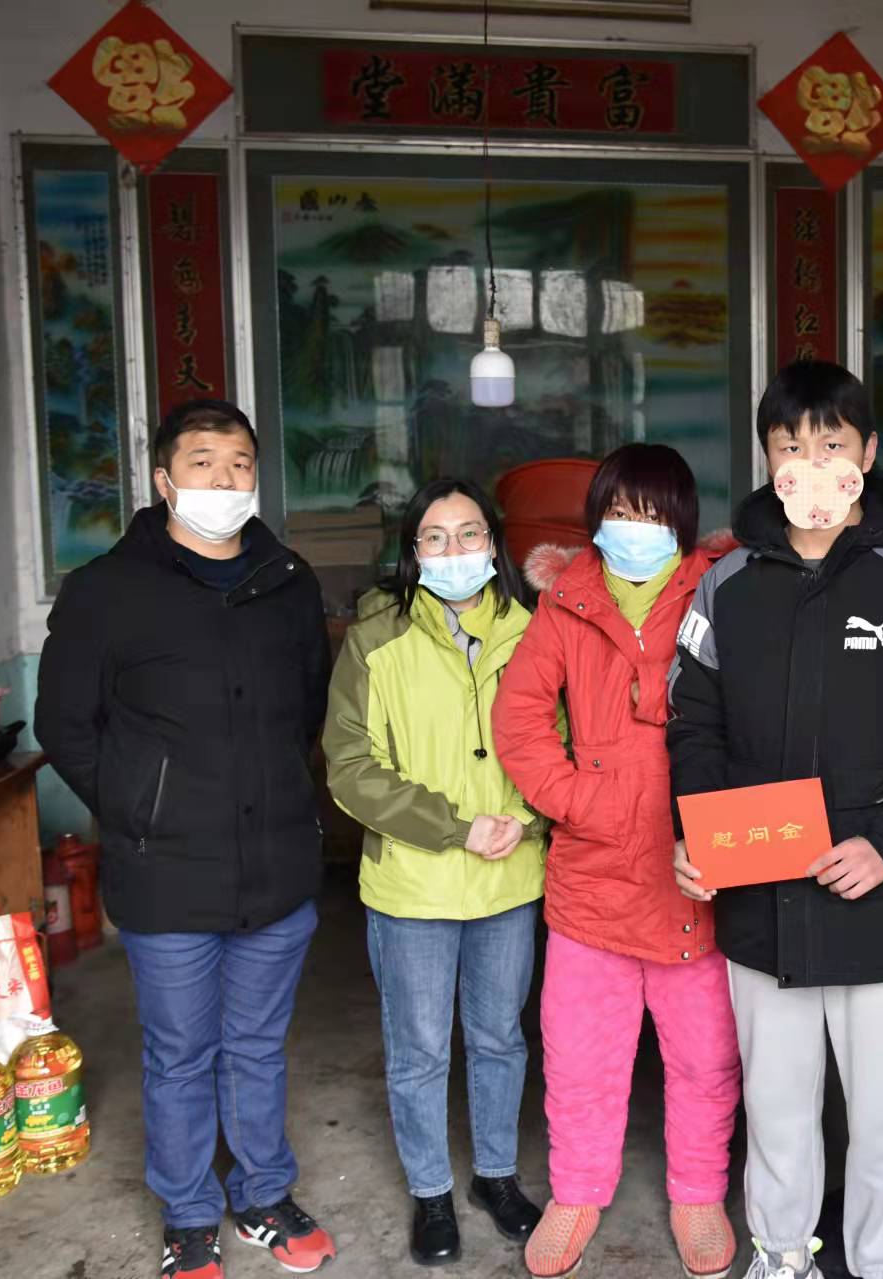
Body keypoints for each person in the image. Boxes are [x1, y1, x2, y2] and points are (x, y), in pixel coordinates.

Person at [668, 360, 883, 1279]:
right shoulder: (726, 583)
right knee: (775, 1113)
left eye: (831, 444)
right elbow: (693, 725)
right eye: (790, 446)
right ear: (767, 459)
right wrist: (698, 833)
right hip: (762, 902)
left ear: (868, 452)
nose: (811, 464)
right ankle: (782, 1258)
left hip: (881, 905)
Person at [35, 399, 337, 1279]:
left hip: (275, 864)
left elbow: (306, 708)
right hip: (165, 871)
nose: (223, 478)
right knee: (178, 1053)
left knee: (257, 1046)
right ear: (164, 479)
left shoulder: (287, 580)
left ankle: (262, 1195)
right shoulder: (107, 590)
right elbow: (65, 723)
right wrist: (139, 807)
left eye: (240, 462)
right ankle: (189, 1213)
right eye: (202, 461)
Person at [492, 444, 743, 1279]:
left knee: (705, 1058)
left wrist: (723, 823)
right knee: (578, 1058)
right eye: (619, 512)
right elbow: (520, 718)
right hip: (592, 873)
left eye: (652, 513)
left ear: (683, 520)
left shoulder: (721, 592)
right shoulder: (567, 602)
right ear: (596, 519)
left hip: (692, 874)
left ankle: (698, 1193)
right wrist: (579, 799)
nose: (635, 528)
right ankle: (575, 1193)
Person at [322, 477, 547, 1265]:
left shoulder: (532, 631)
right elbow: (350, 765)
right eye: (436, 537)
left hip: (509, 879)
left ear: (495, 543)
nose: (455, 549)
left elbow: (563, 742)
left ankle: (495, 1175)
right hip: (413, 884)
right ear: (412, 551)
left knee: (499, 1039)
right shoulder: (374, 637)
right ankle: (429, 1192)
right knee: (419, 1049)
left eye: (470, 533)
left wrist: (529, 817)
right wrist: (456, 826)